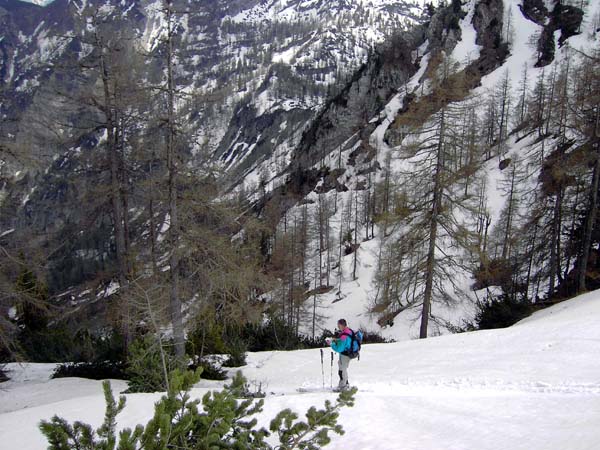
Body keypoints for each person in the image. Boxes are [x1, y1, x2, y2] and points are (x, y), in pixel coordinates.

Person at [326, 318, 353, 391]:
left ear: (341, 325)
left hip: (345, 354)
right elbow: (342, 342)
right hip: (347, 354)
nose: (338, 326)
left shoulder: (344, 334)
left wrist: (331, 344)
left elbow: (339, 348)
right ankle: (345, 384)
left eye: (338, 325)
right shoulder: (348, 331)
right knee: (343, 369)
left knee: (342, 370)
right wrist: (335, 340)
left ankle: (343, 387)